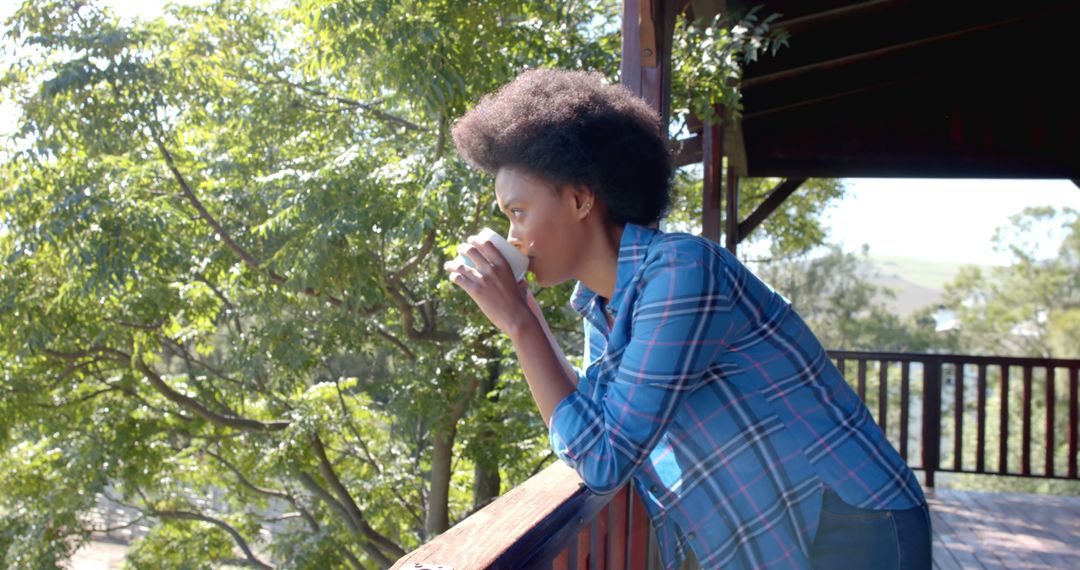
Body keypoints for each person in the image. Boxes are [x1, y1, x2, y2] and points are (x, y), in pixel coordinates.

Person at [443, 68, 931, 570]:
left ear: (579, 198)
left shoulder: (681, 271)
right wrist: (525, 313)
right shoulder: (601, 303)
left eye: (517, 211)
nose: (513, 234)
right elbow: (592, 418)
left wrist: (522, 327)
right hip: (794, 529)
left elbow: (604, 460)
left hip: (853, 520)